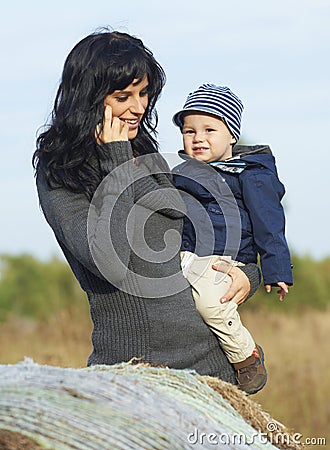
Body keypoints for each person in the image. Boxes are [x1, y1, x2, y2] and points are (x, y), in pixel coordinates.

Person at [32, 29, 262, 384]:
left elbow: (198, 234)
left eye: (144, 93)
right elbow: (109, 260)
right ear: (90, 97)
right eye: (124, 96)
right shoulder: (59, 171)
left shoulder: (144, 153)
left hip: (212, 366)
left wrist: (250, 272)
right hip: (134, 373)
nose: (139, 107)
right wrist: (118, 161)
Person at [172, 83, 293, 393]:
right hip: (189, 257)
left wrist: (276, 269)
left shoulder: (250, 174)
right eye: (189, 131)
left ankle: (245, 356)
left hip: (229, 260)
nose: (198, 138)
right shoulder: (182, 173)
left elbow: (269, 222)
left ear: (232, 135)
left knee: (212, 303)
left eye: (209, 129)